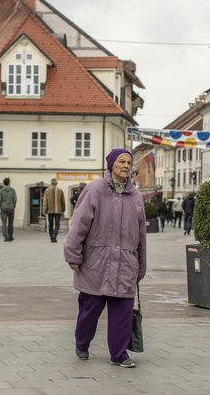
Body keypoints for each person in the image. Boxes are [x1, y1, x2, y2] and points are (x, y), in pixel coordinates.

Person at [64, 148, 147, 368]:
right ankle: (82, 343)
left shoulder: (136, 196)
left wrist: (141, 265)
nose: (126, 166)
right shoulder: (95, 190)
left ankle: (119, 354)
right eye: (122, 161)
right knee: (89, 312)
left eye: (129, 162)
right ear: (111, 164)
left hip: (126, 264)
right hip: (96, 264)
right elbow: (79, 224)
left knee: (123, 314)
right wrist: (73, 254)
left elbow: (141, 236)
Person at [42, 178, 65, 243]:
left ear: (51, 183)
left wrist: (44, 210)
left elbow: (45, 202)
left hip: (50, 210)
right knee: (57, 224)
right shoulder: (60, 191)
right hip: (58, 211)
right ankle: (54, 234)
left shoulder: (47, 191)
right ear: (56, 183)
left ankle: (51, 237)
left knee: (50, 224)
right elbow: (63, 201)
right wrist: (63, 210)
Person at [0, 177, 17, 242]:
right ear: (9, 183)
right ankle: (10, 236)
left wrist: (1, 206)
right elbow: (15, 200)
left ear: (4, 183)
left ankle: (5, 237)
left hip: (3, 208)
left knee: (4, 223)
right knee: (11, 223)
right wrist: (13, 206)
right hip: (11, 208)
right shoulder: (13, 190)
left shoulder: (1, 190)